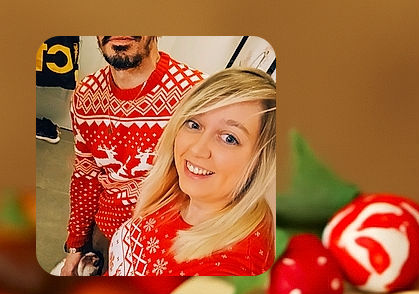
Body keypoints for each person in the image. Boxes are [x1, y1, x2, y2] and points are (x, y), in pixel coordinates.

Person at [106, 68, 276, 277]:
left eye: (229, 138)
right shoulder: (174, 190)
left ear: (261, 160)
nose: (197, 149)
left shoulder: (233, 268)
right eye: (194, 124)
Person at [60, 37, 203, 275]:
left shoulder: (196, 94)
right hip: (106, 235)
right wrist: (76, 244)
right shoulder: (86, 94)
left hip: (168, 246)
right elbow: (86, 174)